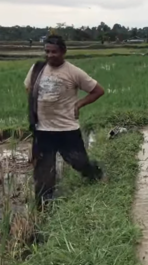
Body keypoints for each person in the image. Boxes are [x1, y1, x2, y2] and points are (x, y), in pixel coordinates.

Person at [25, 35, 106, 208]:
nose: (50, 55)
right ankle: (44, 202)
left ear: (63, 52)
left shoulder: (73, 72)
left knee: (79, 162)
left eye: (54, 52)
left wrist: (80, 103)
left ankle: (94, 174)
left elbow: (98, 91)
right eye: (47, 51)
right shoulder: (37, 69)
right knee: (43, 169)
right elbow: (29, 89)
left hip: (66, 128)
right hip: (43, 129)